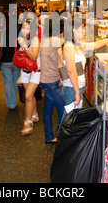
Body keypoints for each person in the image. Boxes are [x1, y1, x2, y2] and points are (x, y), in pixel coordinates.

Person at [60, 16, 108, 121]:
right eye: (82, 28)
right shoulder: (69, 46)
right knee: (68, 120)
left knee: (71, 119)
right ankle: (63, 137)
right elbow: (71, 70)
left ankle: (66, 137)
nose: (84, 31)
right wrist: (76, 92)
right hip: (72, 89)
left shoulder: (76, 45)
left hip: (76, 87)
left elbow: (95, 45)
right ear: (74, 30)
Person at [40, 15, 66, 144]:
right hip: (51, 82)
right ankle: (64, 137)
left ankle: (49, 137)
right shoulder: (55, 41)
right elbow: (62, 58)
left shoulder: (46, 40)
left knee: (47, 111)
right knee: (63, 109)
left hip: (47, 80)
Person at [17, 19, 41, 136]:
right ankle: (34, 114)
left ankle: (28, 121)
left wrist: (25, 47)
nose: (25, 30)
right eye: (23, 28)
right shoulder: (23, 39)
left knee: (27, 96)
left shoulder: (35, 39)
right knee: (29, 95)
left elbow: (34, 57)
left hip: (36, 71)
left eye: (27, 28)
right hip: (25, 71)